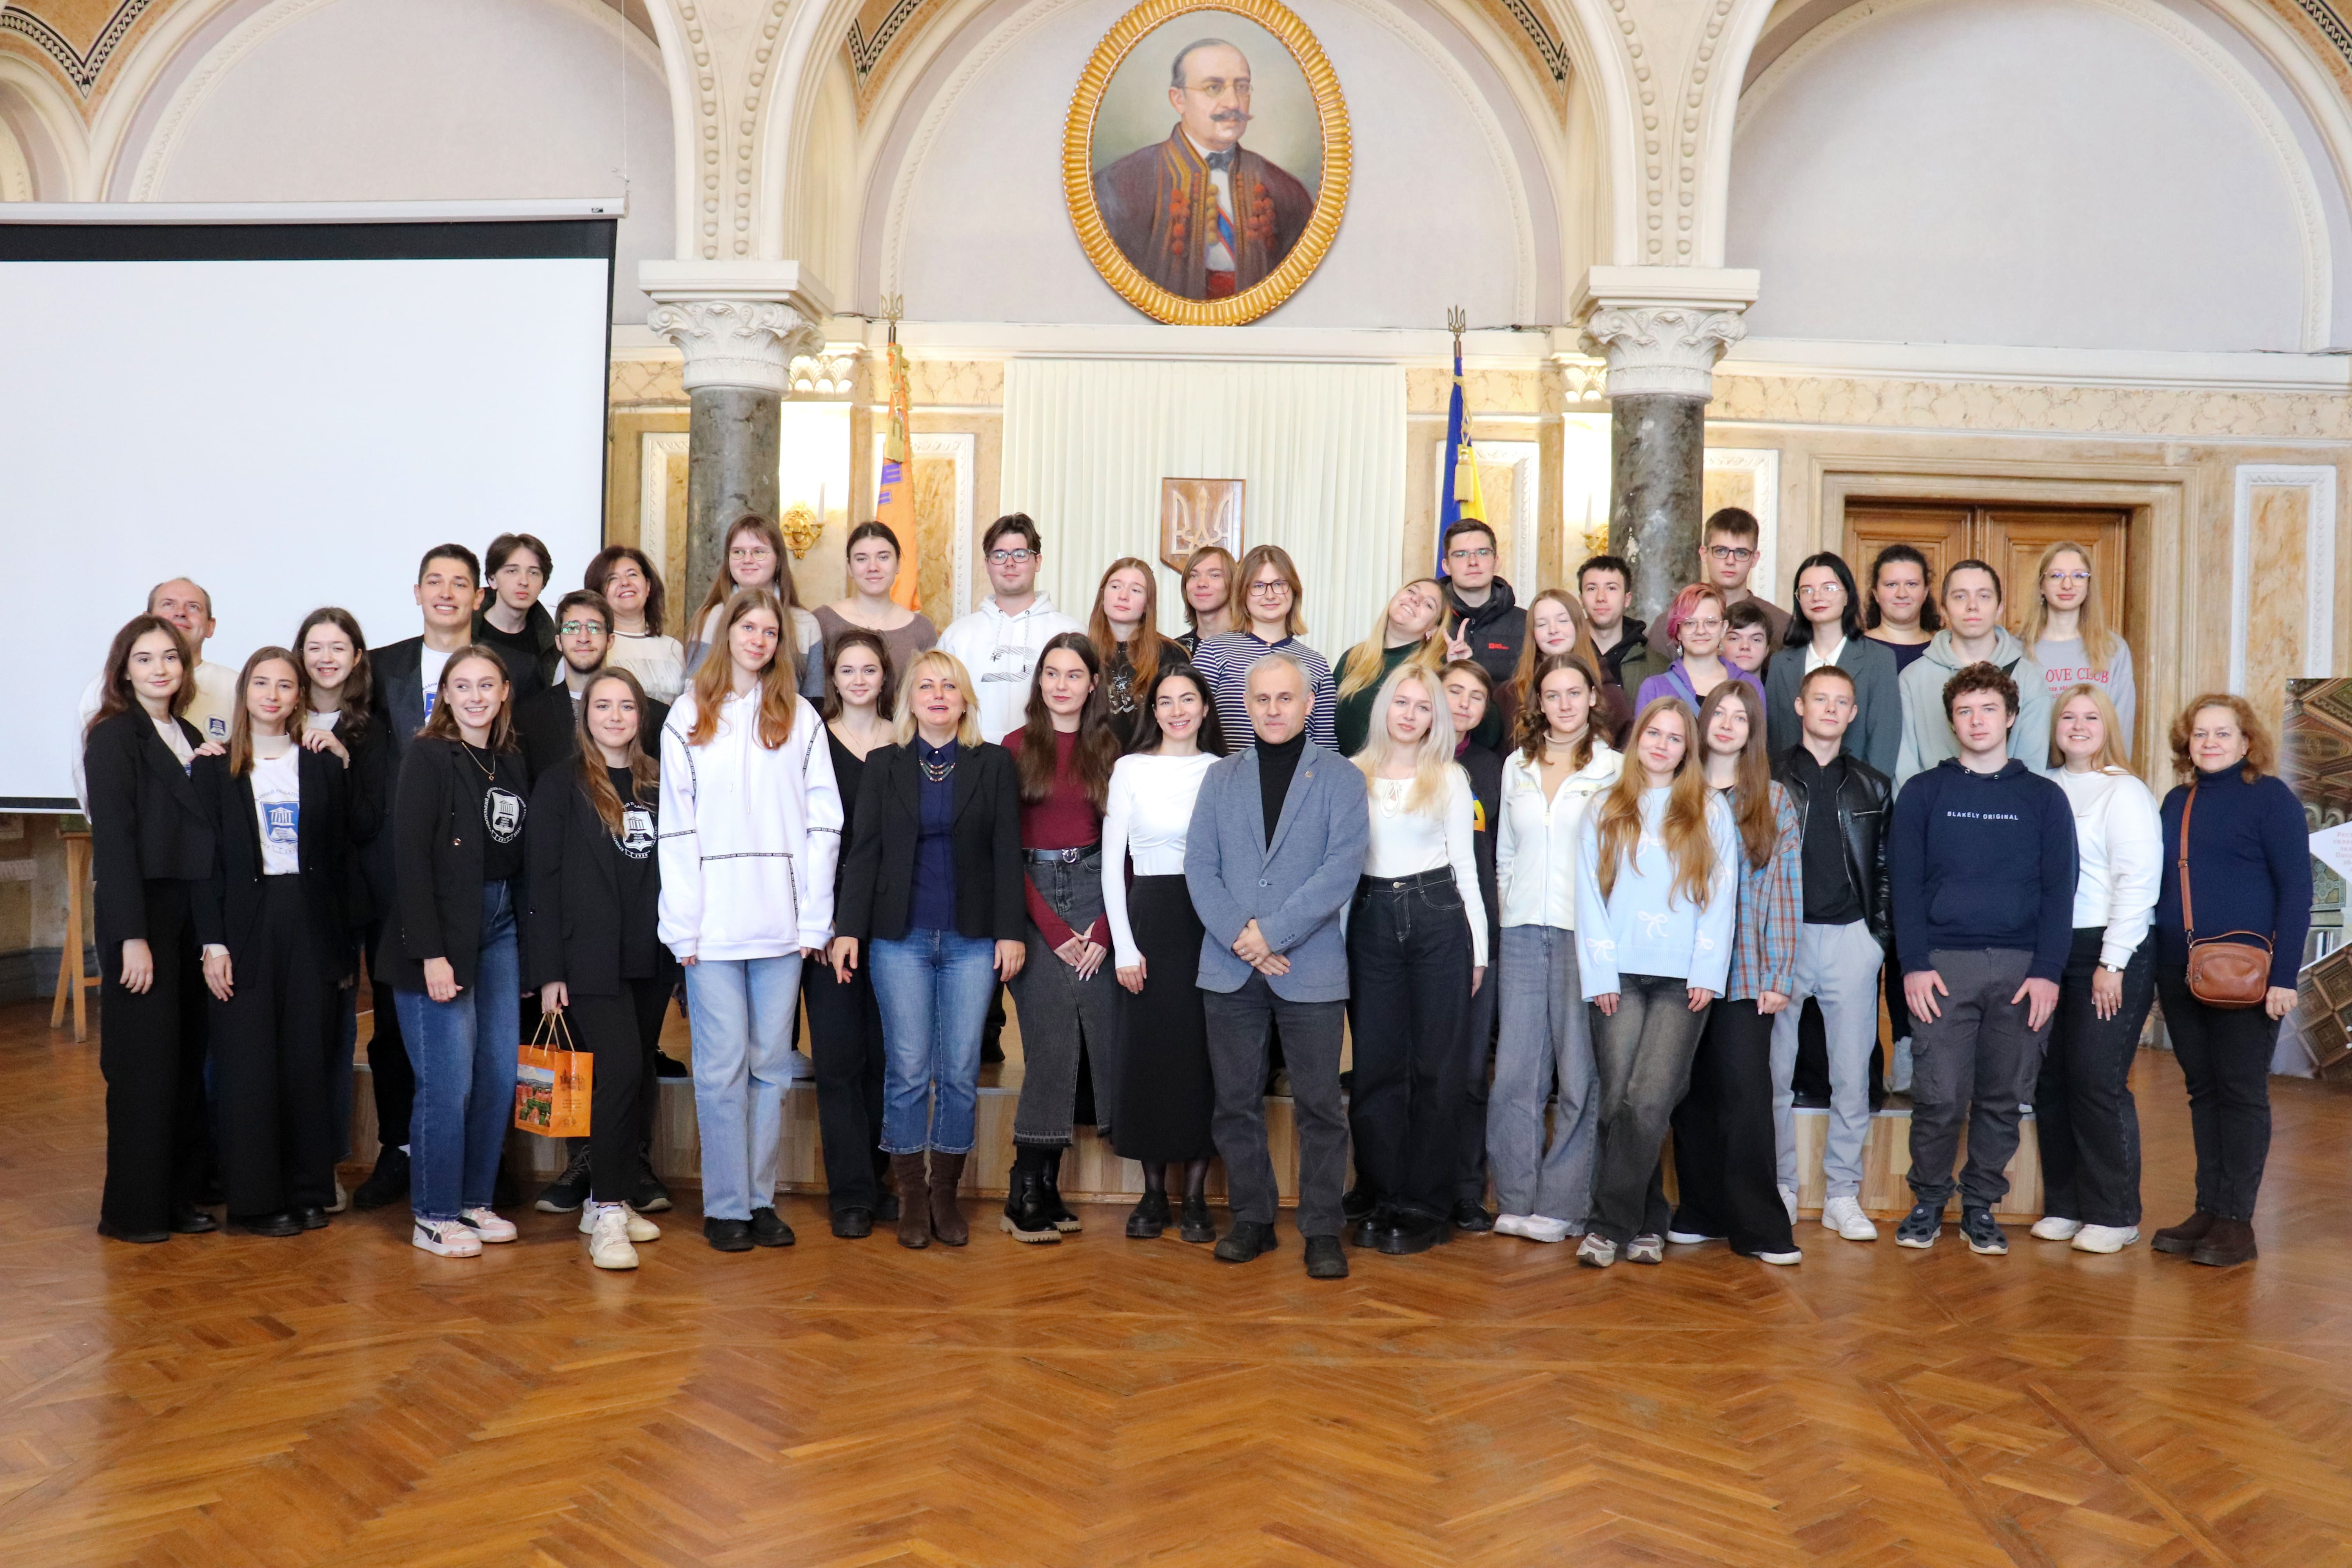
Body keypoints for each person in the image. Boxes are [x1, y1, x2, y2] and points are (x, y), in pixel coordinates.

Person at [659, 588, 842, 1253]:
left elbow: (825, 822)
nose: (759, 639)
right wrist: (684, 925)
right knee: (719, 1067)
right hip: (711, 927)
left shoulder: (800, 718)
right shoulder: (687, 715)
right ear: (725, 633)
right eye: (749, 627)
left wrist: (812, 919)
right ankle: (726, 1204)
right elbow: (675, 830)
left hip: (780, 924)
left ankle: (761, 1200)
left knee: (772, 1065)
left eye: (770, 631)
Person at [830, 650, 1026, 1250]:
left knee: (961, 1070)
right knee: (909, 1069)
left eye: (950, 686)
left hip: (971, 940)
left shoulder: (992, 765)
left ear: (966, 700)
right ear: (909, 700)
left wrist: (1011, 930)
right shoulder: (884, 764)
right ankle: (911, 1194)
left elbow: (1005, 851)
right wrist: (847, 930)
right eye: (926, 686)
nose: (938, 695)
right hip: (899, 939)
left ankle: (947, 1192)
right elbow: (863, 853)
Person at [1185, 653, 1368, 1279]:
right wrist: (1244, 936)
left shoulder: (1342, 778)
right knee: (1235, 1103)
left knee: (1319, 1104)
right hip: (1230, 965)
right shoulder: (1220, 778)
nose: (1272, 710)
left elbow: (1340, 871)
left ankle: (1321, 1228)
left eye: (1284, 699)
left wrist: (1272, 933)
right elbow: (1199, 869)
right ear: (1246, 704)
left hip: (1309, 966)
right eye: (1260, 700)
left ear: (1309, 703)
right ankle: (1253, 1220)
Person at [1888, 662, 2075, 1256]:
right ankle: (1927, 1201)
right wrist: (1914, 964)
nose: (1977, 720)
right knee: (1939, 1095)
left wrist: (2048, 972)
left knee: (2002, 1097)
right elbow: (1906, 887)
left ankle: (1980, 1207)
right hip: (1942, 965)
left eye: (1988, 709)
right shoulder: (1924, 792)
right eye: (1966, 711)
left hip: (2023, 970)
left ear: (2012, 717)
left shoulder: (2044, 798)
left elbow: (2059, 891)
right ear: (1952, 721)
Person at [192, 646, 362, 1237]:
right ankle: (256, 1202)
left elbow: (340, 858)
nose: (272, 694)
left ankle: (309, 1190)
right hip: (244, 923)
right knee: (248, 1064)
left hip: (309, 920)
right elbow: (205, 866)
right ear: (244, 695)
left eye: (285, 685)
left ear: (299, 697)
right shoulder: (213, 768)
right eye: (260, 684)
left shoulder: (318, 763)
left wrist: (342, 946)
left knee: (305, 1060)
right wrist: (213, 944)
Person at [1573, 696, 1739, 1268]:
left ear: (1687, 748)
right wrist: (1598, 973)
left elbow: (1722, 894)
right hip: (1616, 972)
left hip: (1681, 979)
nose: (1663, 745)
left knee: (1648, 1103)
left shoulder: (1708, 810)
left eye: (1675, 737)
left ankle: (1605, 1225)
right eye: (1654, 734)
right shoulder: (1603, 807)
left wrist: (1708, 972)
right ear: (1637, 738)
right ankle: (1648, 1222)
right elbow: (1588, 897)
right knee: (1616, 1103)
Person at [2147, 695, 2309, 1268]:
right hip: (2180, 971)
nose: (2210, 743)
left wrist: (2285, 977)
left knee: (2241, 1094)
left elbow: (2297, 893)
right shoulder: (2176, 802)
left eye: (2223, 733)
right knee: (2203, 1091)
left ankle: (2237, 1222)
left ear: (2246, 742)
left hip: (2249, 977)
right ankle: (2209, 1209)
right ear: (2186, 743)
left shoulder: (2271, 801)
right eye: (2200, 734)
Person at [385, 644, 530, 1259]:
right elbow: (410, 860)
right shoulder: (428, 755)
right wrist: (431, 954)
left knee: (497, 1074)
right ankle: (434, 1214)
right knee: (448, 1083)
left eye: (486, 685)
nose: (474, 696)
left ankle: (474, 1202)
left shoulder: (510, 761)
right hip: (440, 936)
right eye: (461, 686)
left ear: (503, 694)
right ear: (445, 695)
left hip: (500, 930)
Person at [525, 668, 673, 1270]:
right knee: (619, 1070)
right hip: (587, 957)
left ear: (642, 717)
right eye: (603, 706)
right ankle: (610, 1209)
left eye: (627, 707)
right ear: (585, 717)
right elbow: (541, 881)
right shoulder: (561, 784)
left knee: (635, 1076)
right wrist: (547, 970)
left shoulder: (664, 783)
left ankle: (597, 1197)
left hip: (652, 954)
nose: (615, 716)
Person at [354, 543, 483, 1211]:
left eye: (461, 584)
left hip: (474, 884)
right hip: (394, 878)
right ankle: (399, 1149)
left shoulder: (502, 669)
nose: (447, 593)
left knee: (473, 1026)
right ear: (417, 592)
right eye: (436, 582)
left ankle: (470, 1163)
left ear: (479, 599)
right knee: (393, 1028)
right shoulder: (382, 670)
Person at [1344, 664, 1487, 1256]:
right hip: (1371, 918)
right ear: (1385, 709)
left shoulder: (1450, 777)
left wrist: (1478, 949)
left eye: (1423, 706)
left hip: (1438, 917)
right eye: (1401, 702)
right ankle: (1381, 1192)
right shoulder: (1352, 774)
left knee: (1437, 1068)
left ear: (1437, 718)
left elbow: (1467, 869)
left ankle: (1425, 1203)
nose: (1410, 714)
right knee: (1376, 1067)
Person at [83, 615, 218, 1243]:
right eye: (145, 659)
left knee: (186, 1061)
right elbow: (113, 842)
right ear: (124, 670)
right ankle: (132, 1211)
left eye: (171, 657)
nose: (161, 668)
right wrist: (131, 935)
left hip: (190, 917)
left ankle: (177, 1198)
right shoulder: (114, 735)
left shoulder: (186, 732)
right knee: (144, 1067)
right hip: (141, 918)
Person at [1668, 682, 1802, 1265]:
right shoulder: (1673, 793)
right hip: (1676, 970)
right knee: (1689, 1094)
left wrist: (1779, 972)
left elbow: (1783, 893)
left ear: (1754, 731)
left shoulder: (1773, 801)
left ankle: (1761, 1228)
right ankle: (1701, 1210)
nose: (1727, 724)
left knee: (1746, 1095)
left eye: (1740, 717)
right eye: (1717, 712)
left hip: (1746, 971)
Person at [1490, 653, 1621, 1243]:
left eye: (1576, 693)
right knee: (1515, 1074)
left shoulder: (1617, 770)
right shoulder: (1516, 766)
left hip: (1583, 935)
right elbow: (1506, 854)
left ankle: (1563, 1205)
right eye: (1553, 694)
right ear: (1538, 702)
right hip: (1520, 931)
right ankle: (1516, 1198)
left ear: (1593, 699)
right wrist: (1509, 905)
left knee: (1578, 1077)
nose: (1564, 704)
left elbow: (1623, 861)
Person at [998, 633, 1125, 1242]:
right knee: (1049, 1042)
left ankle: (1049, 1188)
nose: (1061, 685)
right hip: (1034, 899)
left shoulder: (1114, 752)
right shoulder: (1014, 749)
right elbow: (1004, 854)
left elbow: (1127, 853)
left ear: (1093, 684)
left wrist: (1102, 930)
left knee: (1090, 1039)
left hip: (1098, 893)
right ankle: (1023, 1186)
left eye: (1074, 675)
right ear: (1039, 681)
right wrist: (1052, 931)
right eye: (1051, 673)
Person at [2029, 684, 2160, 1256]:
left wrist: (2113, 960)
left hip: (2111, 950)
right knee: (2049, 1079)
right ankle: (2065, 1202)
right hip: (2050, 949)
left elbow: (2138, 881)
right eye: (2067, 717)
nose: (2078, 726)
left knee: (2095, 1077)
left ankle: (2116, 1212)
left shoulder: (2124, 791)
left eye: (2090, 717)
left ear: (2108, 726)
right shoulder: (2042, 788)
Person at [1768, 665, 1894, 1245]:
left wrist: (1877, 941)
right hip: (1783, 939)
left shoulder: (1873, 785)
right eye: (1820, 699)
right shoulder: (1767, 778)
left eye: (1841, 702)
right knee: (1775, 1074)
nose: (1830, 709)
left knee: (1851, 1077)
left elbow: (1887, 872)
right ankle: (1782, 1187)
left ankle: (1842, 1193)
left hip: (1850, 937)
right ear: (1800, 706)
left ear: (1852, 714)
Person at [1103, 664, 1226, 1243]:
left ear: (1206, 709)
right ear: (1154, 712)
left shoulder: (1224, 771)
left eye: (1189, 700)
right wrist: (1124, 946)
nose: (1177, 710)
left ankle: (1197, 1196)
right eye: (1166, 701)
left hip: (1209, 919)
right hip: (1148, 914)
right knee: (1150, 1055)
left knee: (1203, 1057)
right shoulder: (1130, 768)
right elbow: (1112, 865)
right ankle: (1154, 1195)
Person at [802, 631, 901, 1239]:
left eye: (870, 669)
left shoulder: (909, 738)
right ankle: (850, 1193)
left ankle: (879, 1177)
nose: (859, 679)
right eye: (847, 669)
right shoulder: (810, 740)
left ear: (885, 677)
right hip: (830, 920)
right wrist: (820, 920)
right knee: (838, 1058)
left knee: (888, 1060)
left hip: (896, 924)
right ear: (831, 679)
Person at [1091, 38, 1314, 300]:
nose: (1233, 102)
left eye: (1242, 87)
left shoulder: (1287, 192)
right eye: (1213, 88)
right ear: (1179, 100)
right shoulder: (1117, 187)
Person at [295, 606, 387, 1203]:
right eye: (314, 647)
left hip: (339, 908)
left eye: (338, 647)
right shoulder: (271, 711)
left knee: (331, 1037)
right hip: (273, 905)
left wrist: (343, 767)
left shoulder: (372, 729)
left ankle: (323, 1166)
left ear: (357, 658)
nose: (326, 657)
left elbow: (368, 821)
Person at [72, 577, 238, 810]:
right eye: (168, 604)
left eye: (193, 607)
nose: (180, 613)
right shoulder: (104, 688)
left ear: (210, 626)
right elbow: (88, 777)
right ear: (146, 619)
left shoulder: (238, 686)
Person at [1439, 658, 1504, 1231]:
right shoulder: (1401, 759)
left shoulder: (1493, 769)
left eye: (1474, 697)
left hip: (1475, 933)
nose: (1462, 703)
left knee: (1465, 1070)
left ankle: (1464, 1188)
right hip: (1400, 932)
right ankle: (1387, 1181)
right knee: (1398, 1065)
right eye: (1452, 691)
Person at [1893, 560, 2053, 789]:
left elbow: (2032, 766)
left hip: (2006, 815)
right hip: (1935, 813)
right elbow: (1906, 768)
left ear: (2000, 607)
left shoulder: (2029, 678)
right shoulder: (1912, 678)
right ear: (1944, 609)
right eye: (1960, 597)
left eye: (1984, 596)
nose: (1972, 606)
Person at [935, 514, 1082, 744]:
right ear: (987, 564)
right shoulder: (958, 636)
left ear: (1038, 562)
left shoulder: (1070, 633)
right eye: (999, 555)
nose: (1010, 563)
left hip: (1048, 761)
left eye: (1021, 554)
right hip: (974, 758)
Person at [515, 589, 673, 788]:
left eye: (594, 628)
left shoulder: (655, 715)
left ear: (610, 640)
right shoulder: (528, 716)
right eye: (571, 628)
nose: (583, 638)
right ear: (558, 642)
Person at [1764, 553, 1901, 777]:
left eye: (1829, 588)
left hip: (1856, 794)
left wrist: (1870, 798)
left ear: (1848, 596)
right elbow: (1774, 739)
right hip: (1790, 794)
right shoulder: (1781, 663)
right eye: (1807, 590)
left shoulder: (1879, 660)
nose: (1817, 597)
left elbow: (1884, 743)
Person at [1192, 544, 1339, 750]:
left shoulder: (1316, 663)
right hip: (1227, 778)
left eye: (1279, 584)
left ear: (1294, 591)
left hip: (1297, 780)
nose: (1270, 595)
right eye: (1259, 586)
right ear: (1243, 593)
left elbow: (1325, 744)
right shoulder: (1214, 651)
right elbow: (1194, 730)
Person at [683, 514, 825, 701]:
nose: (747, 560)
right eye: (738, 552)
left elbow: (814, 701)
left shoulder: (805, 624)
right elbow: (694, 692)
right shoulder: (711, 617)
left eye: (759, 552)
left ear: (779, 559)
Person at [2025, 541, 2136, 755]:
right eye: (2056, 576)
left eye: (2079, 576)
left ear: (2089, 585)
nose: (2068, 585)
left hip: (2097, 777)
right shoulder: (2019, 650)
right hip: (2035, 777)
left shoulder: (2113, 649)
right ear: (2041, 585)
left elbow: (2120, 729)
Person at [813, 521, 937, 704]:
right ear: (849, 567)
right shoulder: (822, 621)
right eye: (862, 559)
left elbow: (930, 696)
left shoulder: (922, 629)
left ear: (898, 564)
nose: (873, 567)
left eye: (883, 557)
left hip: (903, 732)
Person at [1646, 508, 1789, 655]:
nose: (1730, 561)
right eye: (1721, 551)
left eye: (1741, 553)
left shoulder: (1781, 625)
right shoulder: (1668, 624)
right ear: (1704, 554)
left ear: (1755, 559)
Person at [1332, 578, 1446, 756]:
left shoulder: (1437, 670)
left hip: (1400, 778)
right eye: (1412, 592)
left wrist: (1462, 666)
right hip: (1344, 775)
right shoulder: (1354, 658)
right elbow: (1325, 724)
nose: (1415, 600)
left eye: (1428, 604)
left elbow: (1483, 733)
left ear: (1433, 629)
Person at [1087, 557, 1187, 751]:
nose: (1123, 596)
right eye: (1116, 587)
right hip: (1092, 768)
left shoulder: (1171, 654)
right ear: (1102, 595)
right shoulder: (1083, 652)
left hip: (1150, 768)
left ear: (1148, 602)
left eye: (1136, 590)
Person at [1503, 588, 1622, 748]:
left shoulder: (1609, 693)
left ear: (1579, 626)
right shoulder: (1510, 694)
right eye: (1542, 624)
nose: (1553, 630)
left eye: (1563, 621)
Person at [1635, 584, 1765, 715]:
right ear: (1678, 631)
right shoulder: (1655, 689)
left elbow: (1757, 736)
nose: (1701, 631)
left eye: (1711, 622)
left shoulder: (1751, 687)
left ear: (1724, 629)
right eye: (1690, 623)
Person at [586, 544, 686, 705]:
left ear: (648, 586)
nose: (625, 583)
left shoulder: (674, 648)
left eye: (632, 575)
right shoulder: (591, 646)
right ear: (599, 593)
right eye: (612, 579)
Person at [1578, 555, 1668, 722]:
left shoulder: (1658, 666)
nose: (1601, 598)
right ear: (1581, 599)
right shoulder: (1567, 658)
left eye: (1611, 588)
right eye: (1592, 589)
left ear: (1627, 599)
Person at [1439, 519, 1525, 688]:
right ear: (1446, 566)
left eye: (1483, 552)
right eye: (1461, 555)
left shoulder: (1528, 623)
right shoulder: (1429, 621)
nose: (1473, 562)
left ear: (1496, 562)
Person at [472, 532, 557, 696]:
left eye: (534, 573)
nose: (524, 581)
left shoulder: (550, 641)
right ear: (492, 579)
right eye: (512, 571)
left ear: (543, 583)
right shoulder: (466, 632)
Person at [1864, 543, 1938, 674]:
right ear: (1876, 593)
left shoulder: (1941, 651)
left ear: (1925, 592)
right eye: (1892, 585)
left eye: (1912, 584)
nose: (1902, 594)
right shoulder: (1855, 650)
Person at [1174, 544, 1238, 655]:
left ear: (1233, 583)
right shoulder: (1174, 651)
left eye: (1214, 575)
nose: (1202, 583)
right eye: (1194, 576)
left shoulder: (1251, 647)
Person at [1722, 601, 1775, 683]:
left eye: (1756, 640)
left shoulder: (1778, 690)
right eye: (1734, 639)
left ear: (1767, 649)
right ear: (1719, 645)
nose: (1745, 646)